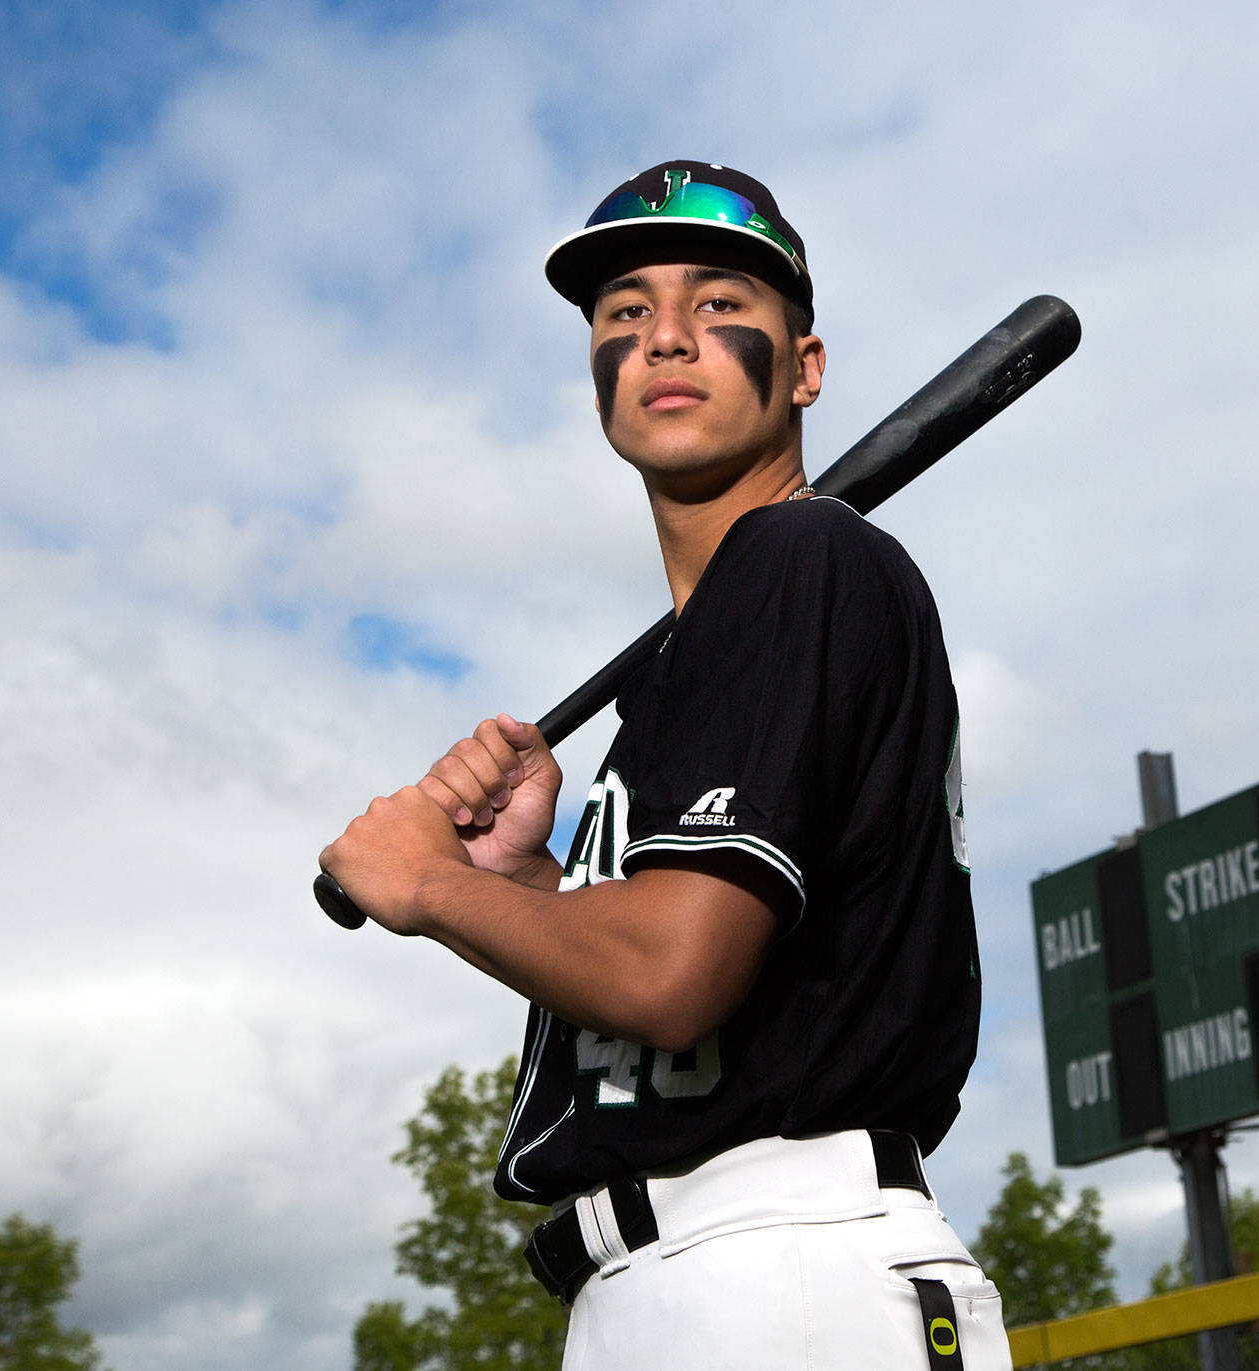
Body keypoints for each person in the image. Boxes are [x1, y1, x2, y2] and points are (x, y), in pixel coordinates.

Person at [318, 160, 1009, 1369]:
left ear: (804, 368)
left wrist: (429, 884)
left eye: (721, 304)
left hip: (781, 1266)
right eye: (624, 312)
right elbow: (683, 1017)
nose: (665, 336)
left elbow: (669, 978)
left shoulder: (801, 557)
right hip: (686, 1279)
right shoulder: (720, 640)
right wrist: (532, 884)